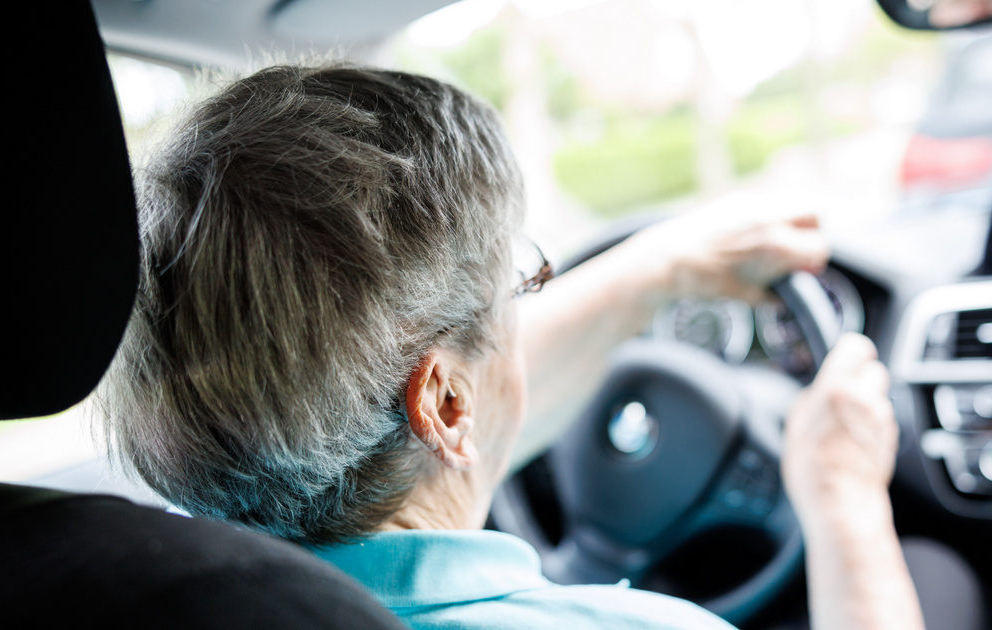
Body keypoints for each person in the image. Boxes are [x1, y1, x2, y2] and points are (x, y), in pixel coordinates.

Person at [98, 64, 924, 630]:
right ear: (448, 404)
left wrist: (662, 268)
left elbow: (395, 418)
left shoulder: (128, 585)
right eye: (519, 285)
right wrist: (847, 502)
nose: (524, 312)